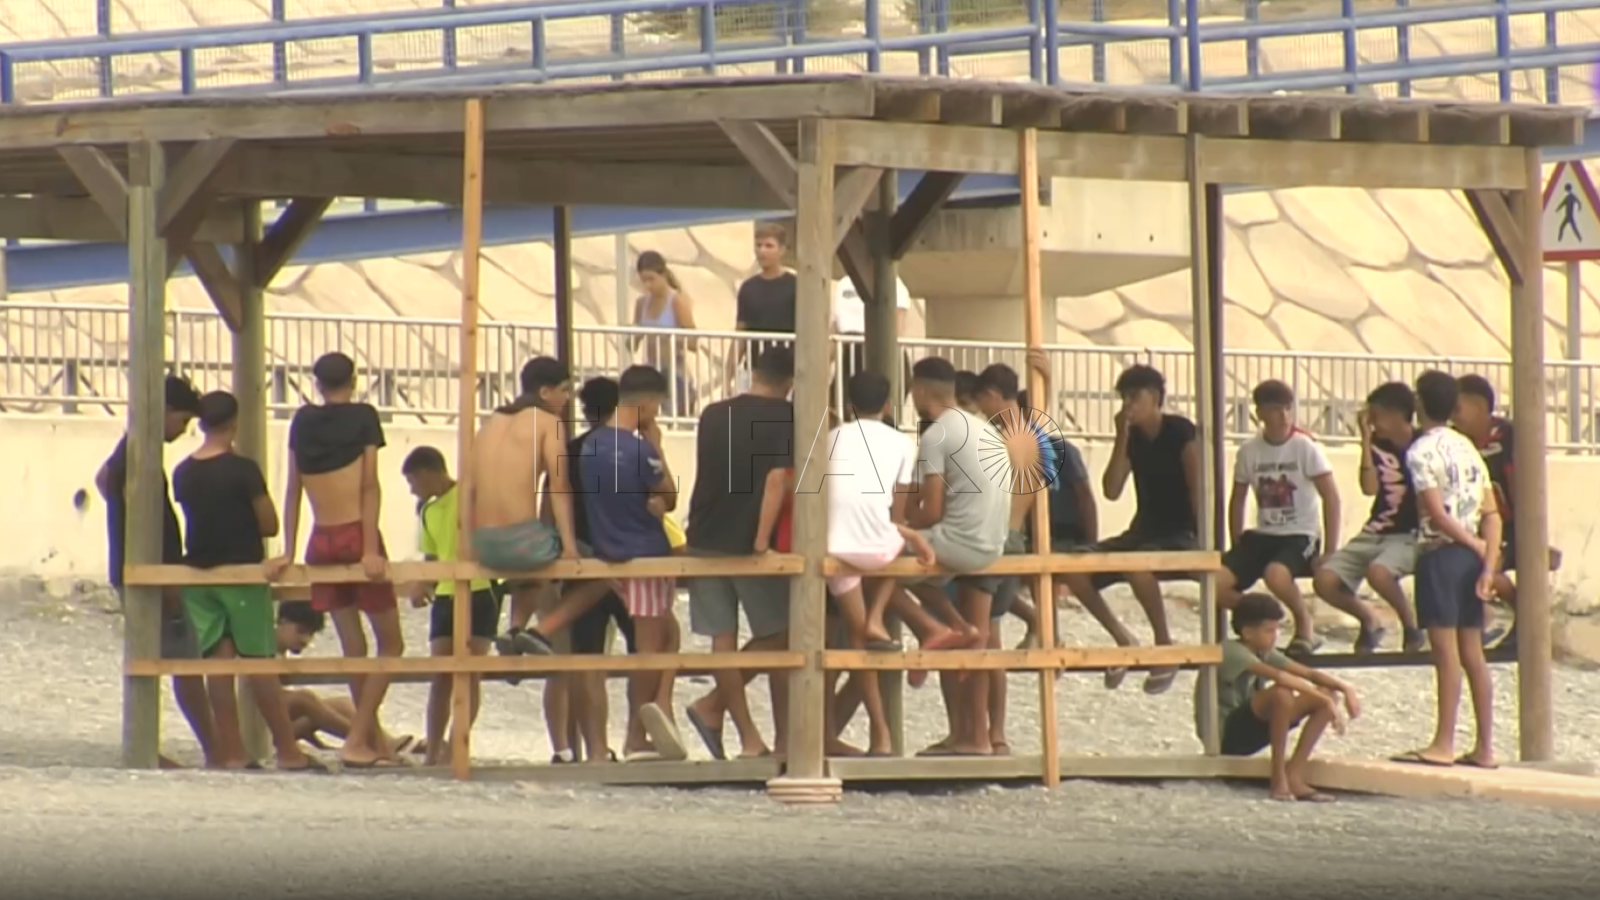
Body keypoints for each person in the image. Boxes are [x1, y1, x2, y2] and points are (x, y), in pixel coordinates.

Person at [266, 352, 401, 769]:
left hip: (320, 538)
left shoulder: (303, 421)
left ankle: (374, 741)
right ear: (354, 380)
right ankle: (359, 739)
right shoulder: (364, 417)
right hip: (355, 533)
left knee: (353, 647)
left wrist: (288, 549)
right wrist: (371, 549)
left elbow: (293, 488)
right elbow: (369, 486)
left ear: (318, 384)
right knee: (391, 644)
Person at [172, 391, 318, 773]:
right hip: (241, 573)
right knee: (259, 662)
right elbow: (268, 523)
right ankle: (288, 750)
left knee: (218, 665)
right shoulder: (243, 470)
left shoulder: (183, 472)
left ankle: (232, 752)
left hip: (199, 577)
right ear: (233, 424)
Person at [96, 373, 216, 768]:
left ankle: (168, 744)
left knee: (161, 658)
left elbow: (103, 479)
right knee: (183, 661)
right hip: (153, 573)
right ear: (164, 411)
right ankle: (206, 747)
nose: (182, 431)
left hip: (139, 568)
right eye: (182, 420)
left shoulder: (131, 450)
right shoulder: (138, 453)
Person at [683, 347, 796, 761]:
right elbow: (776, 481)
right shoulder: (788, 417)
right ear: (792, 381)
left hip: (703, 534)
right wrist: (761, 540)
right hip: (747, 541)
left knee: (722, 637)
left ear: (753, 372)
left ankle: (748, 737)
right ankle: (719, 708)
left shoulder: (713, 413)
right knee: (783, 634)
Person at [1060, 364, 1201, 694]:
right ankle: (1123, 638)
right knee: (1072, 566)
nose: (1128, 405)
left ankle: (1164, 646)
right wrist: (1121, 437)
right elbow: (1112, 489)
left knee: (1138, 566)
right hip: (1143, 531)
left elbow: (1198, 486)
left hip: (1180, 532)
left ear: (1154, 398)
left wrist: (1203, 539)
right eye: (1124, 398)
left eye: (1134, 397)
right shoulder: (1133, 437)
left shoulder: (1179, 431)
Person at [821, 370, 937, 757]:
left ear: (848, 405)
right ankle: (881, 738)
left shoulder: (830, 438)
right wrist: (914, 535)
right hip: (877, 548)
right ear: (888, 406)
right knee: (900, 543)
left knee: (856, 641)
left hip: (834, 548)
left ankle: (879, 733)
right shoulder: (902, 443)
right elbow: (896, 514)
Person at [902, 356, 1011, 757]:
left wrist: (900, 526)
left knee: (880, 567)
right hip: (993, 544)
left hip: (959, 542)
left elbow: (930, 512)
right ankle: (957, 628)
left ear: (920, 391)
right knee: (925, 578)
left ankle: (933, 630)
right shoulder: (983, 427)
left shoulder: (936, 434)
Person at [1392, 370, 1501, 770]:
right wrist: (1487, 560)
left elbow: (1435, 513)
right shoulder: (1468, 447)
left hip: (1440, 554)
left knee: (1446, 652)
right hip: (1471, 559)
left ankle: (1443, 742)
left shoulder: (1421, 451)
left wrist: (1470, 543)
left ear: (1419, 404)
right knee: (1473, 652)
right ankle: (1485, 745)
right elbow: (1491, 514)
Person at [578, 365, 688, 762]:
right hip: (645, 552)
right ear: (645, 403)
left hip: (608, 549)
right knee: (649, 646)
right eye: (656, 406)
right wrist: (657, 446)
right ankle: (637, 734)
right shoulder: (640, 449)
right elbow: (669, 496)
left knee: (666, 635)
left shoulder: (590, 446)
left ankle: (655, 713)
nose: (656, 414)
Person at [474, 357, 609, 656]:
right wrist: (570, 548)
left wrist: (466, 545)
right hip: (522, 542)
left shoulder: (489, 424)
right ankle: (541, 631)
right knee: (605, 574)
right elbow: (559, 486)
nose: (568, 398)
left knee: (534, 563)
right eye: (564, 390)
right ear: (545, 392)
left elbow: (469, 489)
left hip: (483, 543)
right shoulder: (549, 423)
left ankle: (515, 629)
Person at [1218, 380, 1340, 658]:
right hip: (1263, 533)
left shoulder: (1305, 446)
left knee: (1276, 574)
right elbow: (1237, 499)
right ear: (1260, 413)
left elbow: (1331, 497)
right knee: (1214, 584)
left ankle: (1305, 625)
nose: (1284, 416)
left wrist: (1330, 550)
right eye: (1275, 409)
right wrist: (1236, 541)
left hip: (1300, 533)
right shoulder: (1249, 451)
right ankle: (1264, 615)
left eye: (1287, 408)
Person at [400, 446, 503, 768]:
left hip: (480, 590)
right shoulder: (428, 510)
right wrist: (422, 584)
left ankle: (457, 743)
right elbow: (432, 556)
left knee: (470, 673)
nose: (412, 489)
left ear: (428, 473)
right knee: (441, 675)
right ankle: (433, 748)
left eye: (413, 481)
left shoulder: (469, 496)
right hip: (445, 594)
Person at [1203, 593, 1360, 803]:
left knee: (1326, 692)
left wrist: (1345, 689)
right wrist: (1326, 702)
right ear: (1247, 632)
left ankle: (1294, 774)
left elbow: (1308, 673)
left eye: (1277, 630)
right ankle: (1278, 779)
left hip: (1252, 727)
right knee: (1281, 693)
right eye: (1269, 630)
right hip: (1225, 735)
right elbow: (1280, 677)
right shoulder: (1231, 650)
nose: (1275, 636)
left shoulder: (1263, 651)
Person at [1312, 382, 1425, 654]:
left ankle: (1412, 626)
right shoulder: (1376, 443)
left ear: (1398, 415)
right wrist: (1364, 441)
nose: (1373, 422)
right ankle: (1370, 620)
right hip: (1376, 530)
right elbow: (1369, 488)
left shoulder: (1423, 444)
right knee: (1325, 580)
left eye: (1377, 415)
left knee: (1379, 573)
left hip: (1409, 533)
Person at [1451, 374, 1543, 651]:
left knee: (1484, 566)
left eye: (1458, 409)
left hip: (1512, 523)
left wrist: (1531, 530)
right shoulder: (1456, 440)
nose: (1454, 417)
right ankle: (1491, 619)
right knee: (1467, 565)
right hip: (1478, 525)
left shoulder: (1508, 435)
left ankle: (1525, 618)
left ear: (1480, 407)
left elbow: (1522, 480)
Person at [272, 601, 413, 758]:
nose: (305, 640)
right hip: (265, 728)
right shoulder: (267, 647)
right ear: (282, 622)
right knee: (305, 699)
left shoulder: (279, 650)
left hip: (277, 724)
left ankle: (384, 739)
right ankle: (369, 740)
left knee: (342, 703)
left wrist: (317, 743)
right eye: (301, 631)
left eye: (310, 635)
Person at [726, 223, 796, 389]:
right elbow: (741, 333)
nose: (762, 251)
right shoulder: (748, 287)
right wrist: (728, 376)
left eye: (769, 246)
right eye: (758, 245)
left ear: (782, 250)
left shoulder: (795, 285)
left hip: (786, 372)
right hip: (753, 369)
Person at [631, 250, 699, 417]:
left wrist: (671, 338)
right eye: (644, 281)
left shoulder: (677, 302)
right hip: (651, 372)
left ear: (663, 275)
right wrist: (633, 338)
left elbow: (693, 342)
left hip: (675, 373)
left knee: (676, 419)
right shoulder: (642, 303)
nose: (648, 285)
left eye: (651, 279)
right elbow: (633, 340)